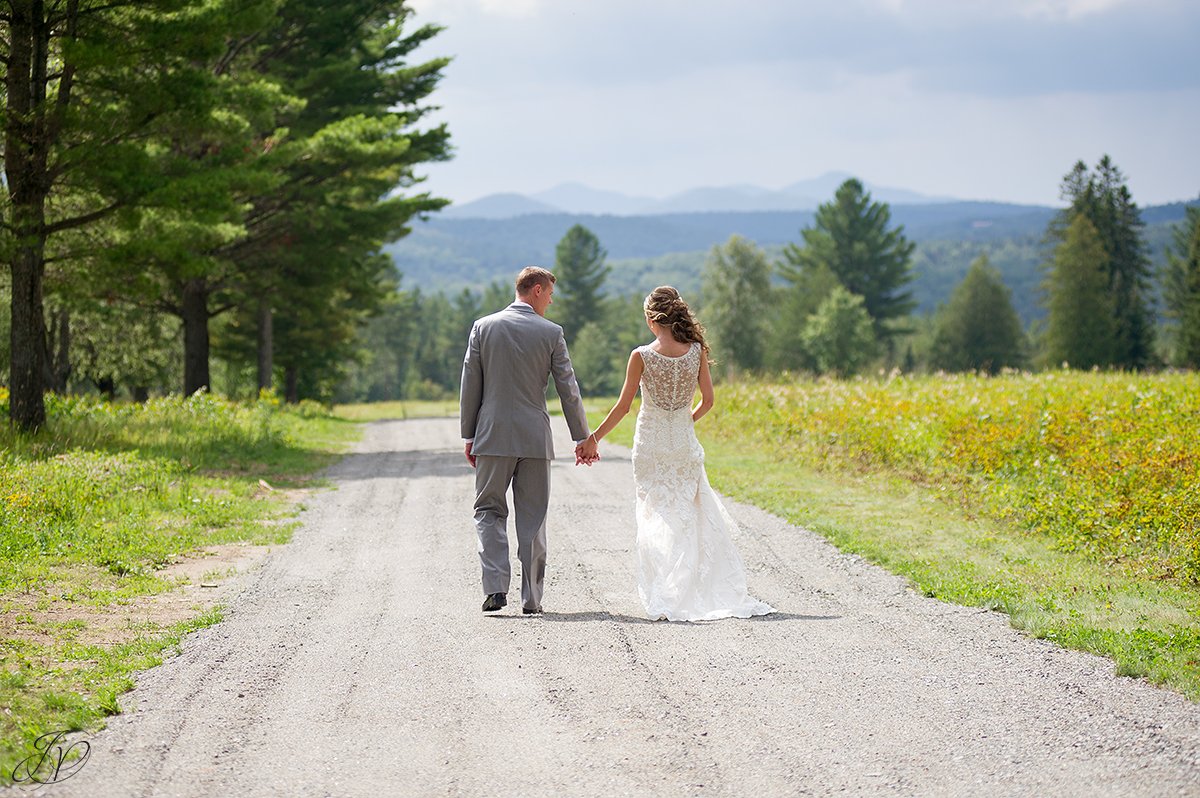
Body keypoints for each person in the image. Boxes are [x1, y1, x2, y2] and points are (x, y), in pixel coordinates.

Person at [579, 286, 774, 622]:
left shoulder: (640, 356)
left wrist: (593, 438)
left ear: (653, 318)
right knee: (689, 513)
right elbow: (709, 400)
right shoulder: (695, 351)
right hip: (682, 442)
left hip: (651, 444)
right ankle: (690, 588)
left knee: (655, 513)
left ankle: (666, 591)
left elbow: (624, 407)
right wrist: (686, 421)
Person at [460, 266, 594, 615]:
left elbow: (470, 385)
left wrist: (469, 434)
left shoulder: (483, 327)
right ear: (536, 290)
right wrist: (582, 436)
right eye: (549, 294)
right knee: (533, 519)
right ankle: (531, 599)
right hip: (535, 439)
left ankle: (494, 588)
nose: (550, 300)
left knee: (488, 510)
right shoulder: (551, 333)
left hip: (491, 436)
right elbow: (569, 389)